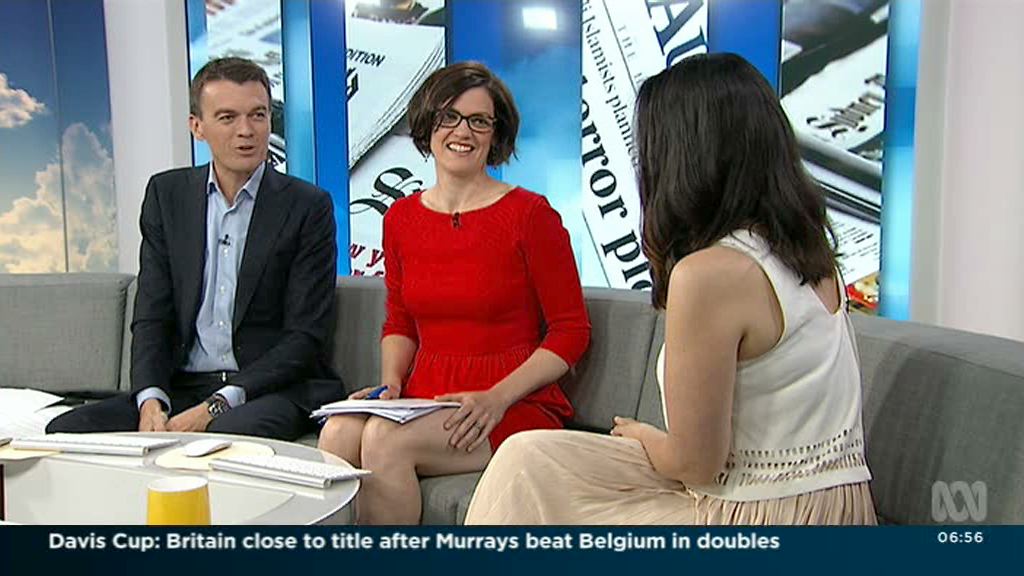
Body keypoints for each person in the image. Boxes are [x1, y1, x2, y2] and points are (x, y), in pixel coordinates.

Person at [465, 53, 877, 525]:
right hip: (832, 504)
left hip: (764, 515)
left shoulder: (710, 274)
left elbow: (696, 463)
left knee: (529, 485)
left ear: (682, 157)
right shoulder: (809, 253)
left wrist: (644, 436)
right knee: (529, 458)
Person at [317, 61, 590, 524]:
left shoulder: (530, 215)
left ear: (496, 134)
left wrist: (496, 398)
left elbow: (571, 331)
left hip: (511, 401)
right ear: (428, 125)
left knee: (384, 440)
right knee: (339, 432)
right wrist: (391, 385)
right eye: (449, 116)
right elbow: (400, 321)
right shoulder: (401, 218)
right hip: (424, 396)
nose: (463, 131)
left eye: (479, 120)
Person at [47, 57, 342, 440]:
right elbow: (152, 315)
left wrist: (215, 406)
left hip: (268, 389)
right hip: (184, 385)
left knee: (227, 433)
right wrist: (150, 399)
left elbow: (304, 336)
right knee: (66, 430)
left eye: (258, 115)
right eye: (227, 117)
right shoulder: (167, 195)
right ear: (197, 127)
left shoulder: (307, 206)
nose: (246, 131)